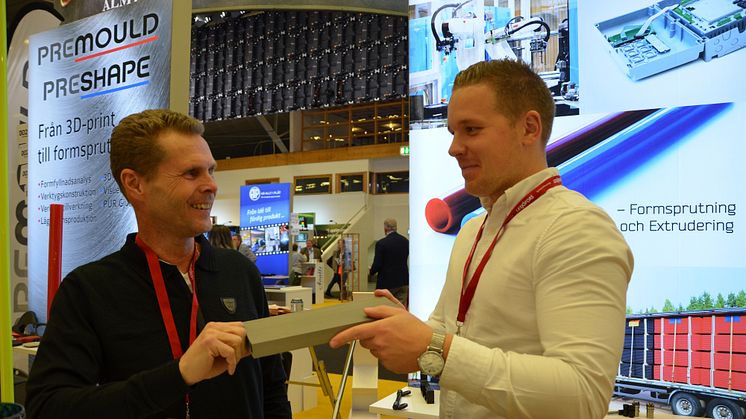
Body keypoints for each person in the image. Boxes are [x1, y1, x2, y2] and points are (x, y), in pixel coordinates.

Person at [330, 59, 633, 419]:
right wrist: (408, 329)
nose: (454, 148)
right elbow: (450, 329)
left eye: (471, 130)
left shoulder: (575, 229)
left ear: (529, 128)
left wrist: (437, 350)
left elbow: (581, 396)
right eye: (453, 132)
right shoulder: (475, 229)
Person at [25, 109, 291, 419]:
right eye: (191, 173)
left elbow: (271, 388)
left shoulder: (240, 272)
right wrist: (178, 375)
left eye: (211, 170)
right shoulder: (89, 290)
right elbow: (48, 408)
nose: (211, 185)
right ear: (135, 184)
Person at [369, 218, 409, 305]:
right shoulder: (406, 241)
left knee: (386, 308)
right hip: (403, 280)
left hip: (386, 282)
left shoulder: (381, 243)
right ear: (396, 228)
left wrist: (371, 271)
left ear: (385, 229)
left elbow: (377, 264)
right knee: (400, 308)